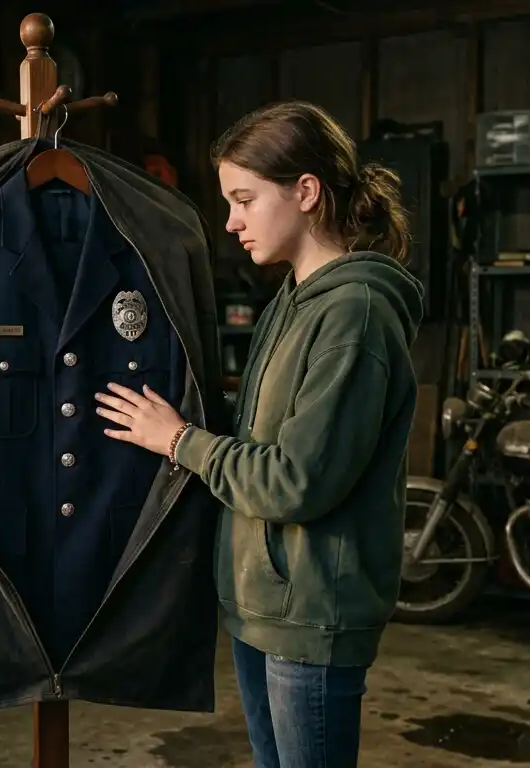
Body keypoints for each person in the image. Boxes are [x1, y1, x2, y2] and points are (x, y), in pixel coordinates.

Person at [93, 100, 424, 768]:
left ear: (305, 192)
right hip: (261, 606)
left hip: (310, 618)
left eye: (244, 199)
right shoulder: (292, 301)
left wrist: (180, 440)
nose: (230, 221)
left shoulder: (355, 315)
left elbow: (296, 482)